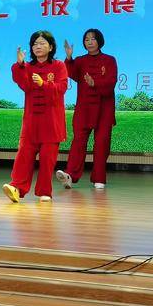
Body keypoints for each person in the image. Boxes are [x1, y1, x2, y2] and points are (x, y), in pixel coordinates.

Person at [3, 31, 68, 203]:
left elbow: (62, 88)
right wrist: (19, 64)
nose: (38, 46)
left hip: (52, 121)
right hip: (31, 122)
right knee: (24, 156)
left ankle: (44, 191)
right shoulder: (28, 67)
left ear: (51, 47)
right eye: (35, 44)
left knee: (47, 159)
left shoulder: (59, 65)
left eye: (42, 43)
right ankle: (17, 187)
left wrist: (43, 84)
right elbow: (22, 83)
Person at [56, 28, 117, 190]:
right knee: (78, 142)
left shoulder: (109, 60)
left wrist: (95, 83)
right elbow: (71, 73)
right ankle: (70, 175)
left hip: (104, 108)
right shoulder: (80, 61)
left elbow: (111, 83)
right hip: (84, 108)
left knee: (102, 143)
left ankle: (99, 177)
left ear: (100, 41)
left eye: (93, 39)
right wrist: (69, 58)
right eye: (86, 39)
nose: (89, 42)